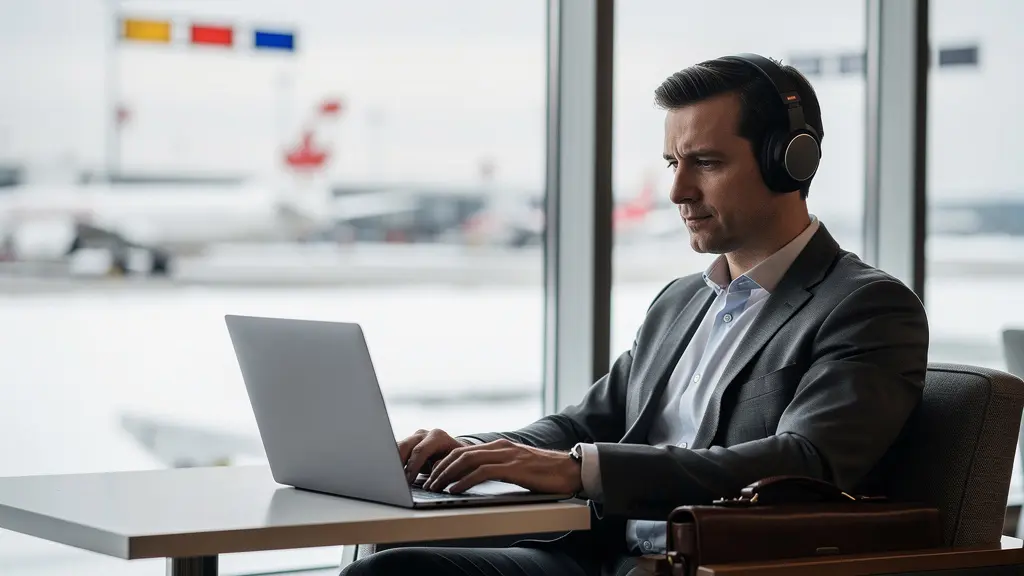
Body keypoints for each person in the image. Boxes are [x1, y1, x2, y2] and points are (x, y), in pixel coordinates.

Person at [340, 53, 929, 576]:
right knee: (388, 567)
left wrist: (579, 471)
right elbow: (580, 427)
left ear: (789, 163)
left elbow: (805, 464)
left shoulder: (865, 307)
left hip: (713, 565)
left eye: (705, 162)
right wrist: (468, 449)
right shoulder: (680, 301)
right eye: (673, 161)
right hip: (596, 555)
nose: (677, 191)